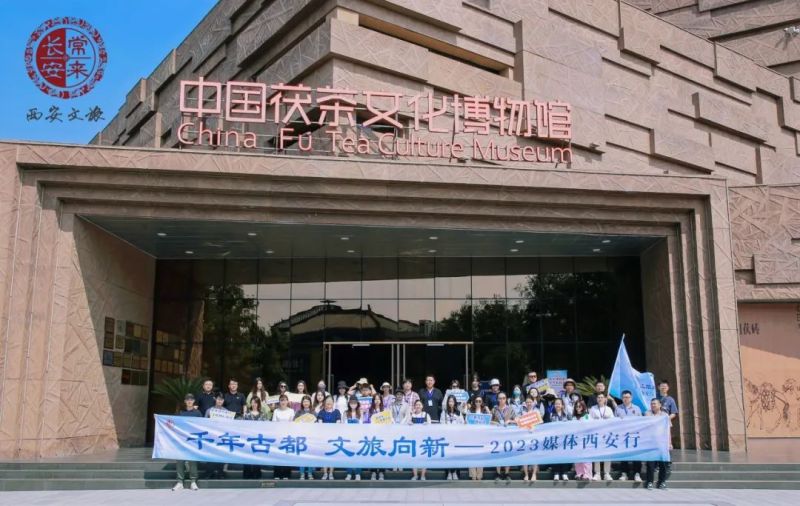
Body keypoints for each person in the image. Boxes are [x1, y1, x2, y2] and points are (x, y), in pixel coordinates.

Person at [172, 394, 201, 491]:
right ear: (185, 401)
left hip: (193, 441)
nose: (189, 401)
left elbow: (202, 426)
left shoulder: (197, 413)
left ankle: (193, 481)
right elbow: (173, 424)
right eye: (187, 399)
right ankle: (180, 482)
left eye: (191, 399)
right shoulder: (180, 412)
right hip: (181, 440)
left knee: (192, 461)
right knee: (180, 461)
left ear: (194, 401)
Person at [615, 390, 643, 482]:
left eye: (627, 397)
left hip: (634, 435)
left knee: (637, 455)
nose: (626, 399)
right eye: (624, 397)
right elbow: (614, 422)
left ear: (631, 398)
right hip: (622, 435)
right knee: (624, 455)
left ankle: (637, 473)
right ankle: (624, 473)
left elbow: (641, 422)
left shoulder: (637, 408)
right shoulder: (618, 408)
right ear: (621, 398)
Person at [645, 397, 672, 490]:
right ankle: (649, 482)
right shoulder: (647, 414)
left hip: (662, 443)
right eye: (651, 404)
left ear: (660, 405)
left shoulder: (665, 415)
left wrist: (670, 443)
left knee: (663, 464)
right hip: (650, 443)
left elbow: (668, 430)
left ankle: (662, 482)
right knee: (650, 464)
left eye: (654, 404)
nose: (653, 405)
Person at [491, 391, 516, 482]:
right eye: (500, 398)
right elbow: (489, 421)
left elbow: (517, 420)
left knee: (507, 454)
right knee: (498, 454)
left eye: (503, 398)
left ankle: (506, 473)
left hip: (508, 434)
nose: (502, 400)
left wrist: (509, 421)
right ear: (497, 399)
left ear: (506, 399)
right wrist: (495, 423)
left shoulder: (510, 409)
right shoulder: (494, 409)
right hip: (497, 435)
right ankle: (498, 473)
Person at [589, 392, 615, 481]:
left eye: (601, 397)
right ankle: (597, 473)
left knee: (607, 454)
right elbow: (590, 421)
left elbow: (613, 421)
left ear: (605, 399)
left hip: (607, 434)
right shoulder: (593, 408)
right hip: (596, 434)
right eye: (598, 397)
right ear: (596, 399)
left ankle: (607, 473)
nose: (600, 399)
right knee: (597, 454)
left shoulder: (609, 409)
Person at [202, 393, 228, 479]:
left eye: (221, 399)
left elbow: (229, 425)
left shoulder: (226, 412)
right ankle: (209, 472)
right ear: (215, 400)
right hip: (211, 436)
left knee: (221, 455)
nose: (220, 401)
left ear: (223, 401)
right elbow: (204, 423)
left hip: (221, 437)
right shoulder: (209, 410)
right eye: (218, 399)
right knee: (210, 455)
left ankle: (220, 473)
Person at [316, 395, 342, 480]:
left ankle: (331, 473)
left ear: (333, 403)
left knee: (332, 455)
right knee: (324, 455)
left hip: (334, 437)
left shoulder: (337, 412)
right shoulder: (321, 412)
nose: (329, 403)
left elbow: (338, 422)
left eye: (330, 402)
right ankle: (325, 473)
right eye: (327, 402)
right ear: (324, 403)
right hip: (324, 437)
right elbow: (320, 423)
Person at [519, 394, 543, 481]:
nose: (529, 403)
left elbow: (540, 424)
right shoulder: (522, 412)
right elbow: (519, 423)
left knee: (534, 456)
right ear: (525, 403)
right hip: (525, 437)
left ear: (533, 403)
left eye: (530, 402)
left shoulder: (537, 412)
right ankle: (526, 474)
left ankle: (534, 474)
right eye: (527, 402)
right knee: (525, 456)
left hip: (535, 436)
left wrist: (534, 427)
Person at [242, 397, 267, 479]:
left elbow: (267, 427)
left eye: (256, 402)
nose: (254, 404)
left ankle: (257, 473)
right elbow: (242, 427)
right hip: (248, 438)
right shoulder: (247, 414)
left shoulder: (263, 414)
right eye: (252, 402)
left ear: (258, 404)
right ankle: (247, 474)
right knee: (247, 456)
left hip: (259, 439)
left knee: (257, 456)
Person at [440, 394, 464, 480]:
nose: (451, 403)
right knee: (448, 456)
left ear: (455, 402)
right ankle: (449, 473)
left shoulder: (458, 412)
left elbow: (462, 423)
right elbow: (442, 423)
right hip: (447, 437)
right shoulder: (444, 412)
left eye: (452, 401)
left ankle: (455, 472)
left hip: (456, 437)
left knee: (456, 456)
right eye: (449, 401)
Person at [405, 399, 431, 480]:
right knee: (414, 457)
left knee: (424, 457)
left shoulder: (426, 415)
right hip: (414, 440)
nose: (418, 406)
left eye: (419, 405)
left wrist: (427, 425)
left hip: (424, 439)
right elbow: (406, 425)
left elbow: (431, 427)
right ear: (414, 406)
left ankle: (423, 475)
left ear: (422, 406)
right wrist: (409, 424)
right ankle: (415, 475)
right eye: (416, 405)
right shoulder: (411, 415)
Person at [466, 396, 490, 481]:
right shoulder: (470, 411)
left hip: (482, 436)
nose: (478, 403)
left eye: (480, 401)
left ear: (482, 402)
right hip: (472, 436)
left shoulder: (484, 411)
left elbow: (490, 420)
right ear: (474, 402)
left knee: (481, 456)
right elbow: (466, 421)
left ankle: (479, 475)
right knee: (471, 456)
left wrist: (488, 410)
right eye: (476, 401)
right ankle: (473, 475)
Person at [272, 394, 295, 479]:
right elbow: (274, 423)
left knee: (287, 455)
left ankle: (286, 474)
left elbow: (292, 423)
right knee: (277, 455)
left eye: (285, 400)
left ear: (287, 401)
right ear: (279, 402)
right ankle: (277, 474)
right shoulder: (276, 411)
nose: (283, 402)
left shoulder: (291, 411)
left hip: (288, 436)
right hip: (278, 435)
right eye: (281, 400)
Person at [548, 397, 571, 481]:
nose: (557, 405)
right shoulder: (551, 414)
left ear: (562, 405)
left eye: (559, 404)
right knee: (555, 455)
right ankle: (556, 473)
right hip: (555, 439)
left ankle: (564, 473)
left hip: (565, 438)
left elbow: (572, 425)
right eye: (556, 404)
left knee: (565, 455)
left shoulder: (567, 414)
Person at [295, 395, 315, 480]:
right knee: (302, 455)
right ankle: (302, 473)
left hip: (310, 437)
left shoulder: (313, 412)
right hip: (301, 437)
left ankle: (310, 473)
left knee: (310, 455)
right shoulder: (298, 412)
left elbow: (316, 423)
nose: (306, 403)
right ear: (302, 403)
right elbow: (294, 422)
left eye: (307, 401)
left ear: (310, 402)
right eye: (304, 401)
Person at [367, 395, 387, 480]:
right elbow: (367, 421)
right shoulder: (370, 410)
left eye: (379, 399)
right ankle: (374, 472)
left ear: (381, 401)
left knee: (381, 454)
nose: (377, 400)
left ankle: (381, 472)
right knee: (373, 453)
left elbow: (388, 422)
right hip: (373, 435)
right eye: (375, 399)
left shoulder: (384, 410)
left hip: (382, 435)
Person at [343, 396, 363, 481]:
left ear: (357, 403)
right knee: (349, 455)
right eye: (351, 403)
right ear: (349, 403)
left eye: (355, 403)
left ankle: (358, 473)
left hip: (358, 437)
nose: (353, 404)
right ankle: (349, 473)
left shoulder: (360, 412)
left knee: (358, 455)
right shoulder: (346, 412)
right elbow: (343, 424)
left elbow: (362, 424)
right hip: (348, 436)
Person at [572, 400, 592, 480]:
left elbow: (591, 427)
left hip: (585, 439)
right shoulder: (574, 417)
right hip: (576, 439)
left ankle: (587, 474)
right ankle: (579, 473)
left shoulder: (587, 416)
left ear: (583, 407)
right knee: (577, 457)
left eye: (579, 406)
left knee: (586, 457)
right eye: (576, 406)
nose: (578, 408)